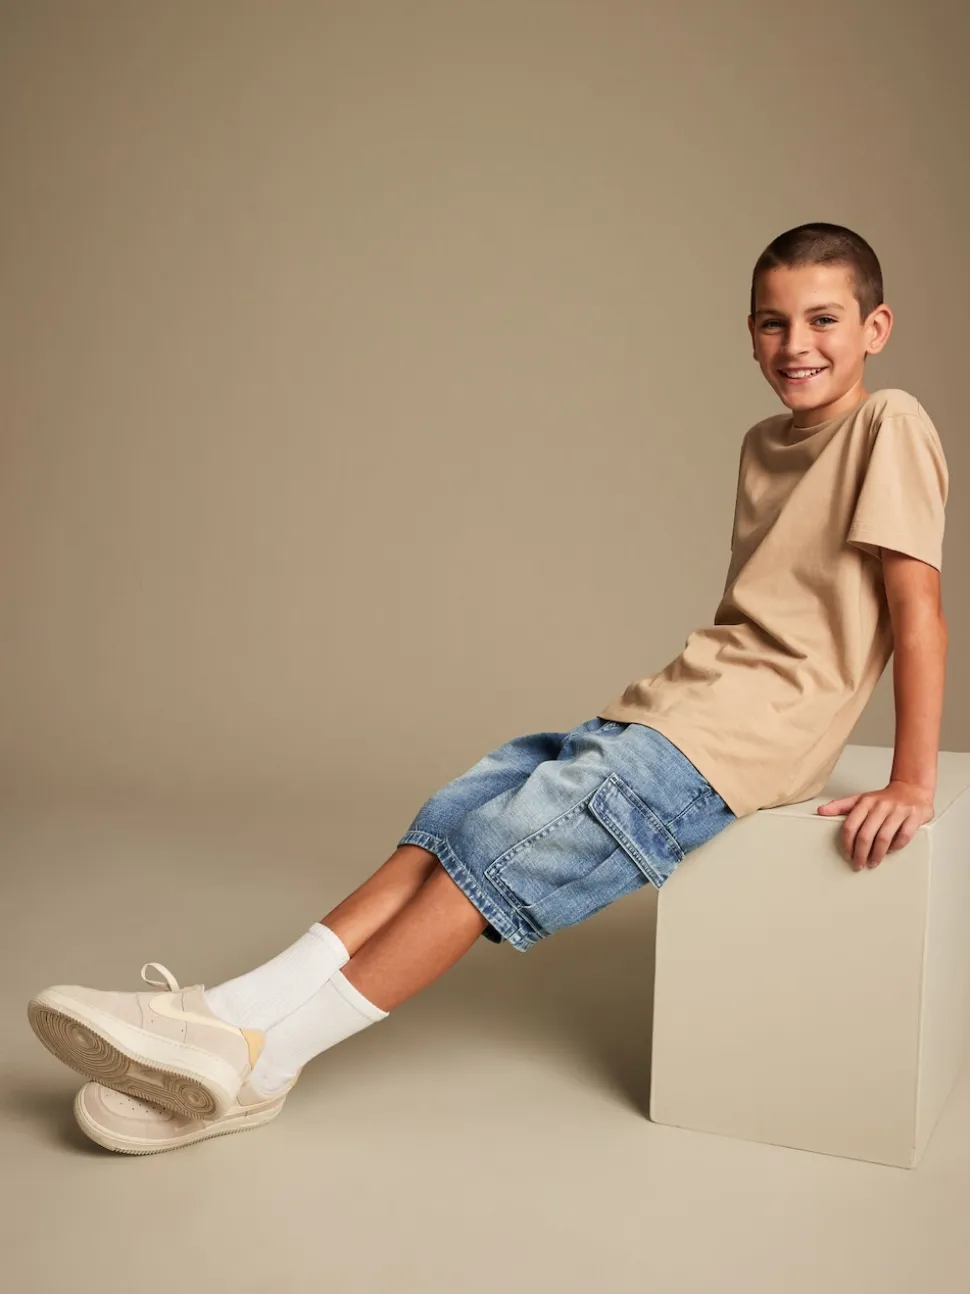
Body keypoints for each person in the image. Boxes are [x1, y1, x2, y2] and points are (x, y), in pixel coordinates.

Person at [27, 221, 949, 1155]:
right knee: (454, 817)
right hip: (671, 704)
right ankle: (225, 1011)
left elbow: (915, 612)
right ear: (750, 334)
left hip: (739, 741)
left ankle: (260, 1065)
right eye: (773, 322)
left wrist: (912, 781)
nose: (796, 345)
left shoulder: (891, 423)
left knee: (496, 854)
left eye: (823, 320)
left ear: (874, 328)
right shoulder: (762, 443)